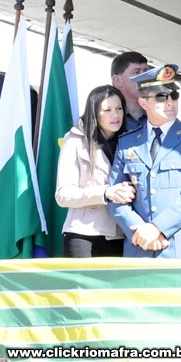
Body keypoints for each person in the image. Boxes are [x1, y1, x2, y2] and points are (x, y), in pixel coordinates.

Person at [108, 64, 181, 258]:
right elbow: (116, 197)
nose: (170, 102)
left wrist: (158, 228)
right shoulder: (128, 142)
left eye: (174, 95)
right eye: (161, 97)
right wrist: (140, 230)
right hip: (139, 246)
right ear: (143, 103)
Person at [55, 85, 136, 257]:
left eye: (119, 108)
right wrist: (105, 192)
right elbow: (63, 195)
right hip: (83, 234)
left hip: (123, 234)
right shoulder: (75, 140)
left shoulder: (131, 140)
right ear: (94, 113)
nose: (116, 115)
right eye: (107, 110)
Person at [111, 51, 149, 131]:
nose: (145, 78)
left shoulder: (161, 113)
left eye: (146, 71)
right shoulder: (105, 120)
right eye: (137, 72)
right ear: (117, 80)